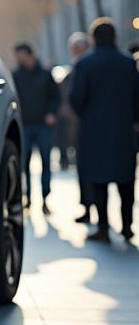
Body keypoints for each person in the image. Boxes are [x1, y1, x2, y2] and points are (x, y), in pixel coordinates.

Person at [70, 18, 139, 243]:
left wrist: (87, 115)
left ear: (93, 39)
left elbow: (76, 98)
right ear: (115, 37)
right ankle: (127, 226)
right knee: (126, 180)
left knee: (98, 180)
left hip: (93, 131)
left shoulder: (84, 65)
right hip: (124, 130)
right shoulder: (129, 64)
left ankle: (102, 227)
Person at [12, 42, 61, 213]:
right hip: (24, 125)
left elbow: (56, 97)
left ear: (30, 55)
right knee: (24, 165)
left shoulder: (46, 75)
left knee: (46, 163)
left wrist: (51, 113)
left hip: (43, 125)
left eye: (21, 55)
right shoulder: (15, 76)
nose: (19, 59)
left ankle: (45, 199)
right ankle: (28, 199)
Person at [64, 32, 94, 223]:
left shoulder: (84, 67)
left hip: (88, 125)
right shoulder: (72, 70)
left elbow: (75, 99)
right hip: (79, 128)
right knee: (83, 169)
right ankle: (87, 207)